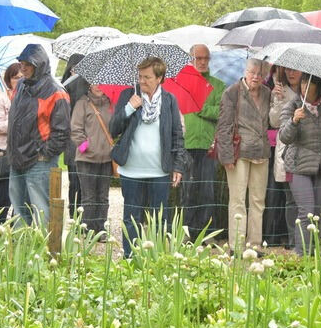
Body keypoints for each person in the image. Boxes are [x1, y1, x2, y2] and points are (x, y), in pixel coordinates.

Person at [110, 56, 186, 256]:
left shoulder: (169, 100)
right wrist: (129, 108)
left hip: (159, 170)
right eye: (140, 76)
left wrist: (178, 166)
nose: (142, 81)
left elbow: (177, 135)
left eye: (147, 77)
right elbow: (113, 129)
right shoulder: (129, 94)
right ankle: (130, 258)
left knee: (160, 218)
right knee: (131, 218)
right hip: (131, 170)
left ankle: (157, 258)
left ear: (159, 78)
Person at [8, 44, 71, 227]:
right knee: (19, 211)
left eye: (28, 63)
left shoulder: (56, 91)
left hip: (39, 160)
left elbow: (62, 131)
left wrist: (45, 154)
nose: (23, 67)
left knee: (41, 210)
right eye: (21, 63)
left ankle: (42, 251)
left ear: (39, 64)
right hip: (17, 158)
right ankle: (22, 251)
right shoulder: (20, 86)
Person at [279, 75, 321, 255]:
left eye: (311, 83)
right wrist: (294, 121)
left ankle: (314, 251)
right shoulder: (292, 106)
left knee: (318, 212)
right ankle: (302, 252)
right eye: (304, 82)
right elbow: (284, 137)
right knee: (306, 211)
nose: (306, 86)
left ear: (319, 86)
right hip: (299, 165)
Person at [216, 58, 271, 250]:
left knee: (258, 201)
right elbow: (223, 127)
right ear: (245, 71)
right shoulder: (232, 92)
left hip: (261, 152)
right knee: (238, 200)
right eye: (252, 72)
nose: (256, 76)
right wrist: (226, 156)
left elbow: (273, 121)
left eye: (260, 73)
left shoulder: (268, 93)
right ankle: (236, 247)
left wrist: (280, 100)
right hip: (239, 152)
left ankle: (255, 245)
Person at [181, 44, 226, 235]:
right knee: (187, 190)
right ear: (190, 59)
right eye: (198, 58)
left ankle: (205, 232)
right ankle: (186, 231)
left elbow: (222, 112)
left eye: (205, 58)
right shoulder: (181, 84)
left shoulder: (218, 85)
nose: (202, 62)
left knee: (207, 190)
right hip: (186, 143)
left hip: (208, 145)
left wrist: (202, 108)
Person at [71, 84, 114, 237]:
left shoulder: (111, 103)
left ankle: (101, 229)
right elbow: (75, 129)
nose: (98, 87)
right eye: (95, 83)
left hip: (106, 158)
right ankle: (89, 229)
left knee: (103, 197)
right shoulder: (82, 103)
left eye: (101, 83)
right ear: (89, 84)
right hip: (86, 159)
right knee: (88, 197)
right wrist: (85, 146)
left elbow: (115, 128)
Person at [268, 67, 303, 246]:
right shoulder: (281, 90)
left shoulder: (314, 89)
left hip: (308, 151)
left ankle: (306, 239)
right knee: (290, 198)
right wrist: (278, 100)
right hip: (287, 150)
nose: (292, 74)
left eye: (295, 70)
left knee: (307, 198)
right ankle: (292, 239)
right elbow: (274, 121)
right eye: (288, 70)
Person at [0, 63, 23, 224]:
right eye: (16, 77)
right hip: (6, 153)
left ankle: (18, 232)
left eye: (23, 77)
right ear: (9, 80)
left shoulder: (30, 98)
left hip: (25, 152)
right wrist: (14, 122)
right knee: (3, 197)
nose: (20, 80)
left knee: (22, 197)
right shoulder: (2, 99)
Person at [62, 53, 88, 217]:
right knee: (78, 181)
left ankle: (75, 214)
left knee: (79, 182)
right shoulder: (68, 87)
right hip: (76, 141)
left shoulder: (66, 86)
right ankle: (76, 214)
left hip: (77, 141)